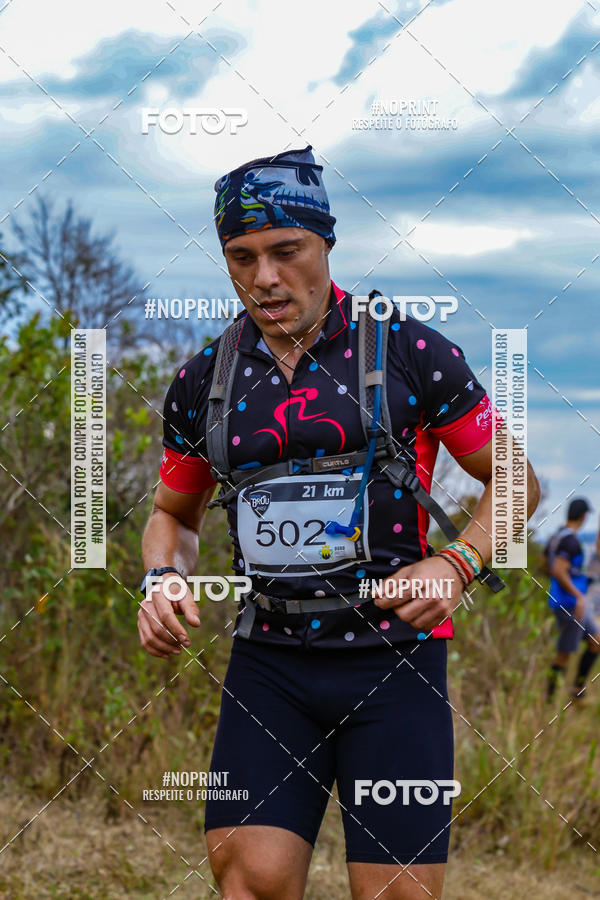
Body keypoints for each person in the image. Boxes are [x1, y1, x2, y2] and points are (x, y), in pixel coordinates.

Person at [138, 146, 540, 900]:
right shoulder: (204, 380)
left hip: (394, 667)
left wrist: (457, 562)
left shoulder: (409, 349)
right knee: (249, 882)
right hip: (269, 665)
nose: (264, 277)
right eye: (242, 256)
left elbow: (515, 481)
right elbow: (172, 515)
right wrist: (161, 578)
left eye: (286, 251)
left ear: (326, 242)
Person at [545, 498, 600, 702]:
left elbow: (548, 565)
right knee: (564, 654)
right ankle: (549, 699)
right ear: (583, 516)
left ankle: (577, 689)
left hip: (568, 601)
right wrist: (577, 595)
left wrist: (578, 577)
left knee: (596, 641)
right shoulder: (571, 541)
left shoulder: (556, 537)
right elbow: (558, 569)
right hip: (570, 605)